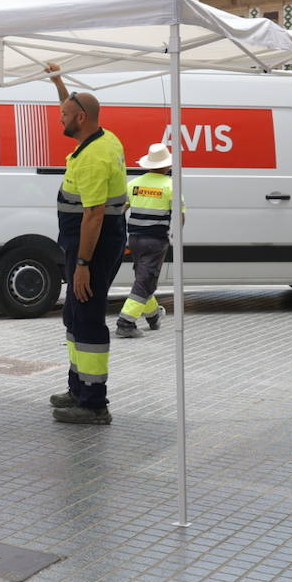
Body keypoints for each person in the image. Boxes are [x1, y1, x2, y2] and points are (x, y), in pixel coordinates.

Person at [46, 64, 128, 425]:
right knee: (74, 315)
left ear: (80, 118)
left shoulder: (95, 156)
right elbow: (72, 104)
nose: (59, 119)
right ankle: (78, 387)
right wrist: (59, 82)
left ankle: (94, 404)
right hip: (86, 240)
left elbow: (93, 215)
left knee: (88, 316)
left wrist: (82, 266)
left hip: (93, 244)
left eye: (64, 115)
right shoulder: (100, 137)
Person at [116, 143, 177, 338]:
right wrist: (175, 233)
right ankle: (125, 322)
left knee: (143, 277)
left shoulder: (134, 184)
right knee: (145, 279)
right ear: (166, 166)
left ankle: (153, 316)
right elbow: (179, 215)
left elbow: (120, 210)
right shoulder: (171, 185)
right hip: (156, 241)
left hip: (135, 239)